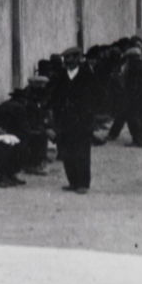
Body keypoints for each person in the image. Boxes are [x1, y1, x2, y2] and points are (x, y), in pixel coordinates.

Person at [51, 46, 97, 193]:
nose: (66, 61)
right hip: (65, 120)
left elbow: (93, 98)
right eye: (65, 58)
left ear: (77, 59)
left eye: (69, 58)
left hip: (82, 120)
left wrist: (89, 118)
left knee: (82, 152)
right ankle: (73, 181)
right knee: (67, 151)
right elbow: (56, 96)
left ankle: (83, 183)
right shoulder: (62, 76)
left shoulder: (87, 75)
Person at [101, 45, 142, 148]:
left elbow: (132, 85)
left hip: (132, 98)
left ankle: (138, 140)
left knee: (132, 119)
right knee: (137, 118)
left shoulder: (133, 68)